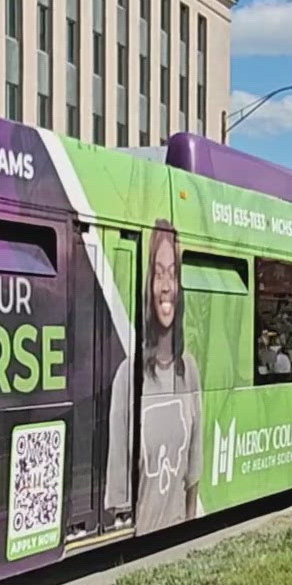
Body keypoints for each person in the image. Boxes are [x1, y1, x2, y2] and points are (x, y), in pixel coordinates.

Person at [104, 222, 201, 535]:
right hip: (142, 528)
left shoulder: (190, 372)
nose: (166, 285)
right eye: (158, 273)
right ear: (147, 284)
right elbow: (119, 485)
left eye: (172, 274)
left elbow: (193, 475)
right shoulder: (127, 376)